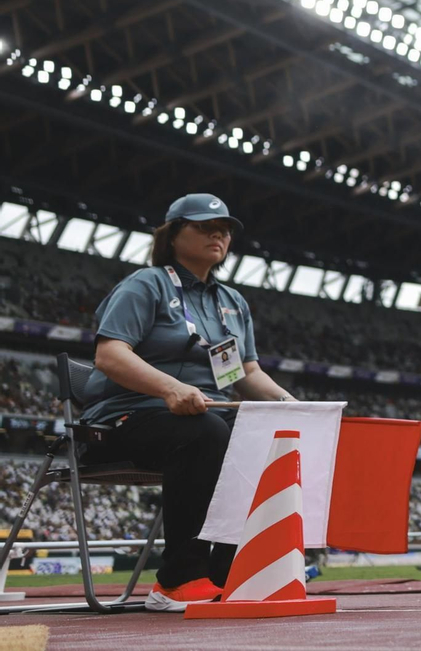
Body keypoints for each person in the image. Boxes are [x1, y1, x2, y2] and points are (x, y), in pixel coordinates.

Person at [80, 194, 296, 612]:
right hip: (126, 420)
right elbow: (109, 355)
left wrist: (295, 405)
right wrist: (169, 389)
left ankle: (227, 574)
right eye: (204, 225)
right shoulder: (147, 284)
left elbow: (243, 375)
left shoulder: (232, 302)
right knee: (209, 432)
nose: (219, 233)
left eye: (226, 227)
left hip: (203, 420)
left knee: (269, 439)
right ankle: (176, 580)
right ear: (173, 234)